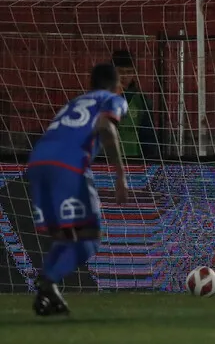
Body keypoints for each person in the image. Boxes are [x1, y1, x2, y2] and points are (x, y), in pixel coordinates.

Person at [27, 62, 128, 316]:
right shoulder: (111, 99)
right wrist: (120, 176)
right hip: (68, 164)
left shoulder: (73, 103)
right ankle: (48, 280)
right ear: (118, 87)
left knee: (66, 236)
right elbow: (106, 127)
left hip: (38, 160)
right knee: (90, 237)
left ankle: (47, 294)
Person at [112, 49, 159, 160]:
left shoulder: (141, 100)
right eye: (120, 71)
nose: (124, 76)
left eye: (129, 72)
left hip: (134, 160)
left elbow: (148, 135)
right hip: (104, 161)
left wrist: (150, 159)